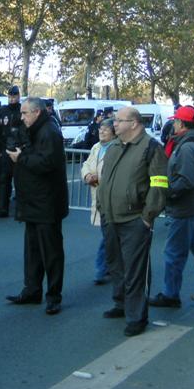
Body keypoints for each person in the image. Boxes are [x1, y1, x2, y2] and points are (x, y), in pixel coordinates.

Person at [97, 106, 167, 337]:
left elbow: (158, 186)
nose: (113, 124)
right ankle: (121, 303)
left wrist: (147, 218)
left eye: (119, 120)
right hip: (111, 217)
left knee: (136, 270)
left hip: (134, 219)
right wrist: (102, 207)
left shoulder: (151, 147)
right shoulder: (115, 146)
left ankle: (137, 316)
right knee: (116, 265)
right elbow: (105, 178)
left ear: (134, 123)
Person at [149, 106, 194, 308]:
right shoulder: (192, 142)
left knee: (174, 253)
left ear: (181, 124)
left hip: (184, 209)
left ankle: (170, 294)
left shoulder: (187, 147)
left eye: (175, 121)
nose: (173, 124)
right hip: (193, 207)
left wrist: (167, 193)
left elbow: (186, 180)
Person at [5, 97, 68, 315]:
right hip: (32, 200)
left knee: (51, 252)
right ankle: (32, 290)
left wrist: (20, 158)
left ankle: (53, 296)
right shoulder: (32, 129)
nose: (21, 117)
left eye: (25, 113)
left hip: (46, 202)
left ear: (37, 112)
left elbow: (46, 163)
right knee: (32, 251)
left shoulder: (49, 131)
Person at [81, 118, 119, 285]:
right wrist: (88, 175)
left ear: (114, 132)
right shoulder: (96, 147)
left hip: (112, 198)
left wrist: (99, 177)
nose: (101, 132)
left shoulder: (117, 148)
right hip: (98, 196)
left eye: (106, 129)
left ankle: (101, 269)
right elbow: (86, 164)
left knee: (109, 236)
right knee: (110, 235)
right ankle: (112, 266)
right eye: (100, 129)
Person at [0, 86, 22, 217]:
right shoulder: (2, 111)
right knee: (3, 179)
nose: (12, 99)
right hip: (4, 149)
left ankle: (20, 210)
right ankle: (2, 208)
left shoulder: (23, 110)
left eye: (14, 96)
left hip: (19, 149)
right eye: (10, 96)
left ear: (18, 96)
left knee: (19, 181)